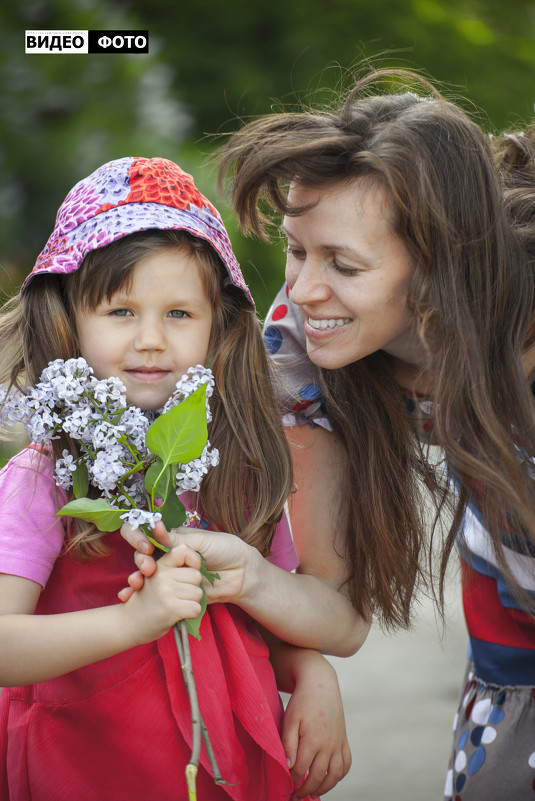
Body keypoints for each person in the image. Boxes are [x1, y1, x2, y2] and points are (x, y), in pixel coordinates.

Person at [123, 70, 535, 799]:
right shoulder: (305, 347)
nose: (305, 290)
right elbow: (330, 600)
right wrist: (296, 651)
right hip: (512, 669)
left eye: (344, 264)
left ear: (442, 270)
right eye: (297, 250)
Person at [0, 156, 356, 801]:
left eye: (180, 314)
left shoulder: (243, 462)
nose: (152, 340)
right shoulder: (44, 476)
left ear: (220, 326)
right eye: (120, 311)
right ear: (68, 320)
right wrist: (132, 622)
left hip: (230, 767)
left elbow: (272, 611)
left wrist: (310, 672)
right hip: (85, 766)